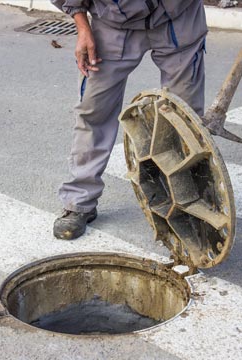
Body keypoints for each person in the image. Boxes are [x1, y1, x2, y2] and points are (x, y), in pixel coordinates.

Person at [51, 0, 208, 240]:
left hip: (178, 17)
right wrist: (82, 28)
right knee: (94, 110)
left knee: (184, 118)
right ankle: (79, 199)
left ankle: (189, 201)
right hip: (115, 22)